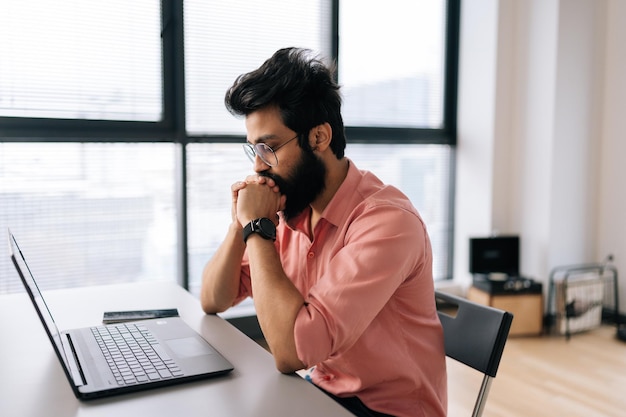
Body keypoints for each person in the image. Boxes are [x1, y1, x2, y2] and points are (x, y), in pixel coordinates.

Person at [200, 47, 447, 417]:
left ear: (319, 137)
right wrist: (240, 223)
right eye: (253, 149)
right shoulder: (291, 211)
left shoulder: (386, 223)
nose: (258, 166)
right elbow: (213, 299)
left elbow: (291, 353)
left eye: (269, 147)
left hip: (389, 411)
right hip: (323, 394)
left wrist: (257, 227)